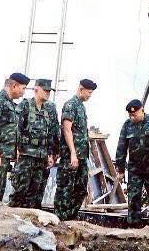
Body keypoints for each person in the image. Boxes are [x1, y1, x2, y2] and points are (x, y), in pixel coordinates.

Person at [12, 78, 60, 209]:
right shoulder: (25, 105)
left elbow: (53, 133)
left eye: (49, 91)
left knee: (36, 193)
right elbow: (16, 129)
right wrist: (16, 149)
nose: (47, 93)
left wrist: (52, 154)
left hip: (42, 157)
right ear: (36, 89)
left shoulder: (49, 109)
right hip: (26, 156)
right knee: (20, 192)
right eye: (45, 90)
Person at [114, 98, 149, 226]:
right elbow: (121, 147)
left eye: (134, 114)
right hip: (134, 169)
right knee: (134, 197)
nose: (132, 117)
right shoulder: (127, 125)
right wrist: (120, 169)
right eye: (130, 115)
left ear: (142, 110)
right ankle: (133, 225)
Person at [55, 78, 97, 220]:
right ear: (81, 89)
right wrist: (73, 153)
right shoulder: (70, 105)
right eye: (89, 93)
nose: (90, 96)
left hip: (82, 155)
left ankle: (70, 216)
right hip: (71, 155)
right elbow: (67, 130)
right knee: (65, 187)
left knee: (80, 188)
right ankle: (60, 217)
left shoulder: (81, 106)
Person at [0, 73, 27, 201]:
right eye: (23, 88)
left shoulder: (10, 103)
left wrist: (16, 149)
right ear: (14, 86)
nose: (23, 92)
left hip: (4, 155)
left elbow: (12, 129)